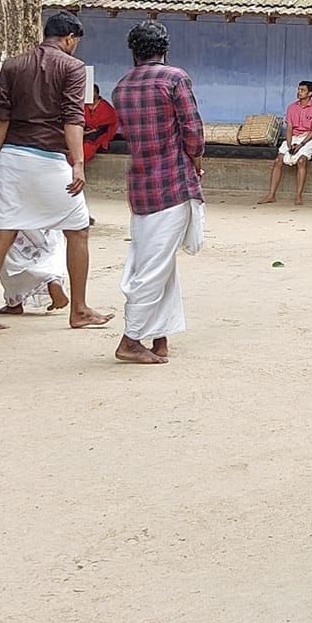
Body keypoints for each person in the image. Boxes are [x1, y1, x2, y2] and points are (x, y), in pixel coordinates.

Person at [0, 11, 108, 333]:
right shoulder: (73, 68)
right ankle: (80, 309)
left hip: (13, 159)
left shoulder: (13, 65)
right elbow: (73, 119)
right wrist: (78, 164)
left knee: (3, 235)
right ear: (71, 38)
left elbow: (0, 119)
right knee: (78, 231)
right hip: (50, 161)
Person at [109, 19, 205, 365]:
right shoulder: (175, 78)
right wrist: (196, 160)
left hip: (141, 186)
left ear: (134, 52)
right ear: (164, 49)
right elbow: (193, 131)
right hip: (172, 182)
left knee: (153, 259)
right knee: (155, 266)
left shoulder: (120, 87)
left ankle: (159, 336)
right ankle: (130, 339)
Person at [262, 80, 312, 205]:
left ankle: (298, 196)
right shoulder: (291, 107)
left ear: (310, 93)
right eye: (299, 89)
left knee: (301, 161)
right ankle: (271, 195)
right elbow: (289, 128)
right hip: (293, 137)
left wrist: (301, 145)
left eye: (302, 90)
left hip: (308, 137)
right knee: (278, 160)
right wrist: (289, 144)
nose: (299, 92)